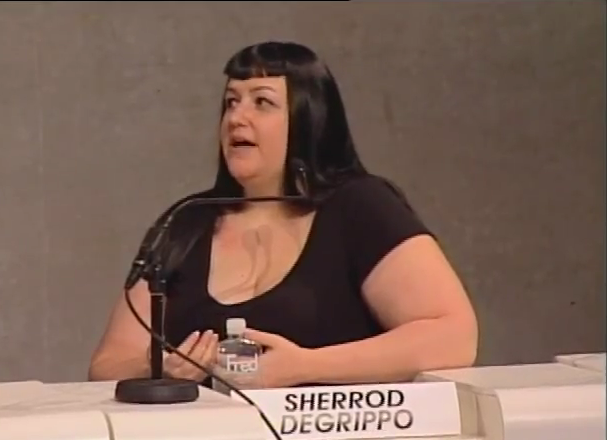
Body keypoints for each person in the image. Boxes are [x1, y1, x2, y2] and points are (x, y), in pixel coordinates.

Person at [88, 41, 478, 388]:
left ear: (308, 117)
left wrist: (304, 366)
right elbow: (107, 365)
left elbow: (453, 336)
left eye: (261, 102)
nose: (236, 118)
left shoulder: (359, 207)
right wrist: (159, 367)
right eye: (231, 102)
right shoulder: (185, 222)